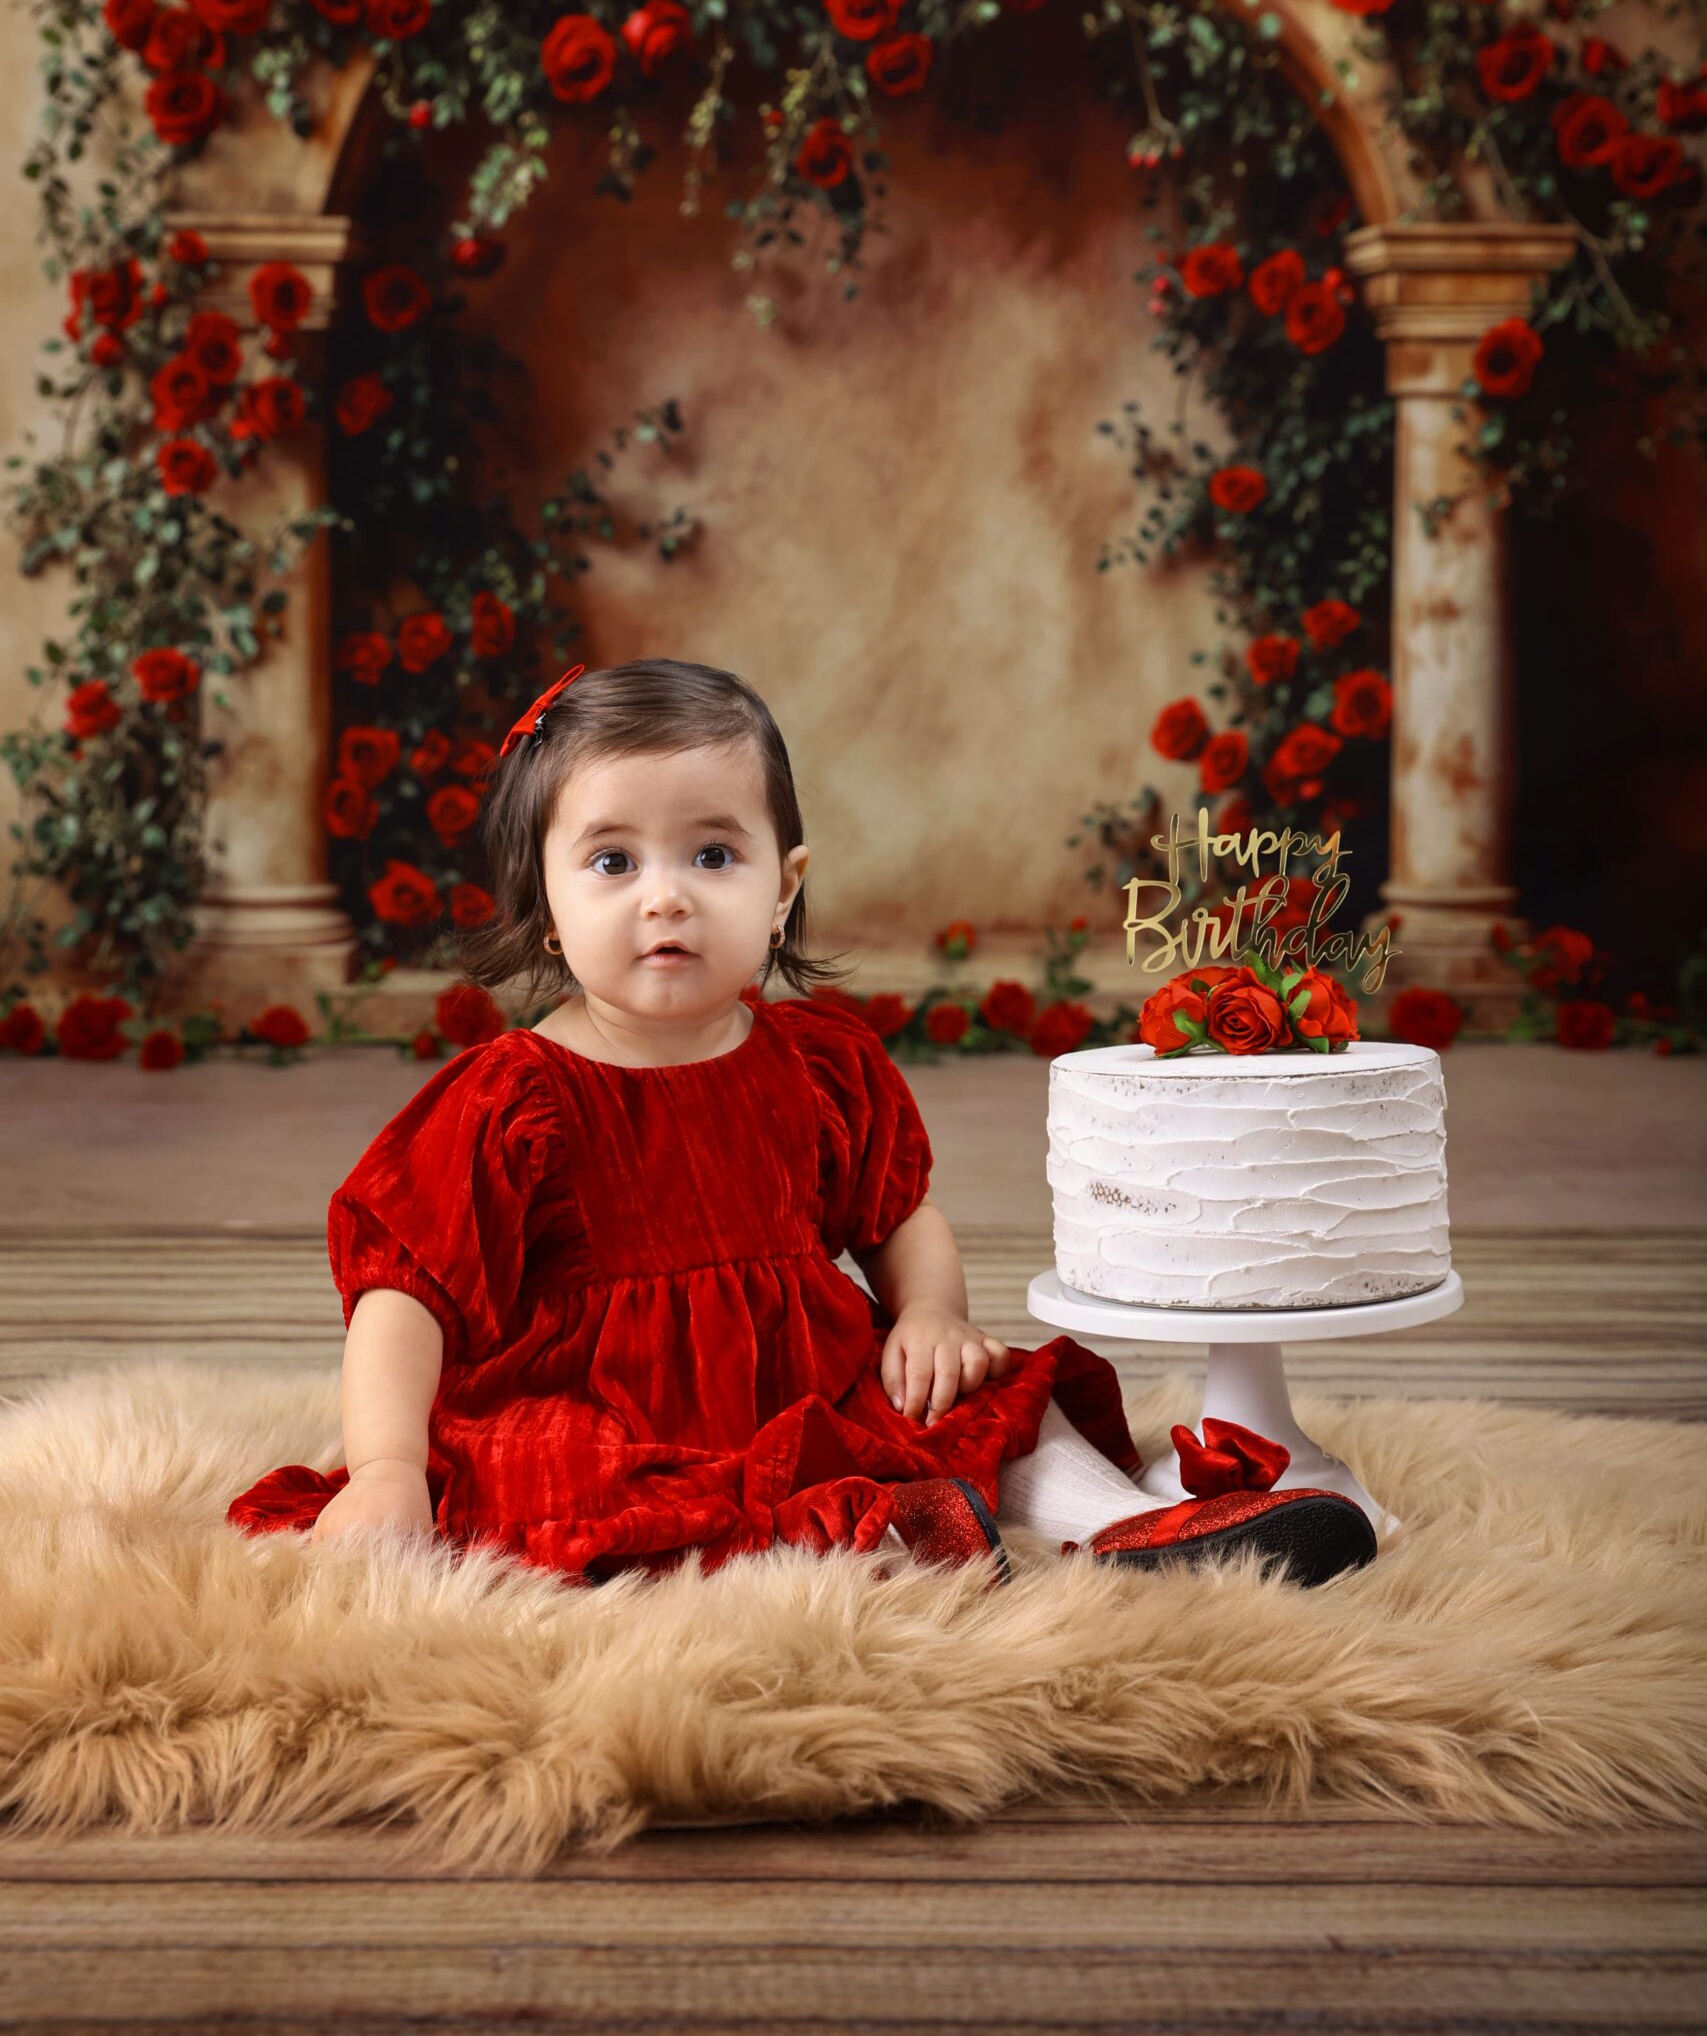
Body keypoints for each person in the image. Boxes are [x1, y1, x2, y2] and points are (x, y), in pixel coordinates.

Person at [226, 656, 1375, 1591]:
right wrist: (383, 1469)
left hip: (807, 1381)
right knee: (577, 1496)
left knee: (978, 1399)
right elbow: (403, 1297)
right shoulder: (509, 1098)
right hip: (605, 1408)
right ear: (545, 901)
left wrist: (929, 1312)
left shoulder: (820, 1064)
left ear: (782, 888)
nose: (665, 894)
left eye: (712, 854)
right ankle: (893, 1542)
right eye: (613, 860)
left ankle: (1126, 1529)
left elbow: (899, 1214)